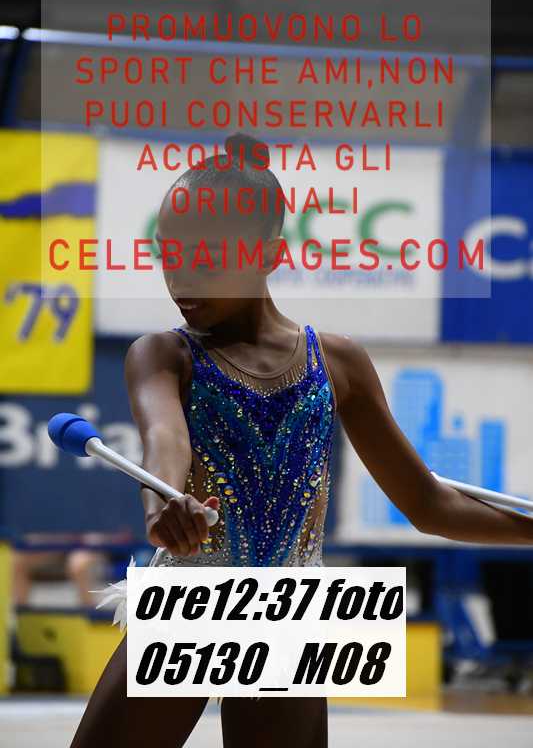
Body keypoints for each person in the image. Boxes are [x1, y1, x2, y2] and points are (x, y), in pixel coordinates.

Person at [70, 133, 533, 748]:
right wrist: (163, 508)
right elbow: (164, 439)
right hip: (190, 602)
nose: (181, 276)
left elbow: (429, 504)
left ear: (269, 253)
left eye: (207, 257)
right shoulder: (163, 354)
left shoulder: (338, 362)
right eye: (169, 253)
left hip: (288, 616)